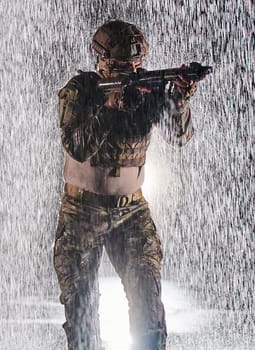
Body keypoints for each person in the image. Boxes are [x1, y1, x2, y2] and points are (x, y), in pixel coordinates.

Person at [53, 19, 199, 350]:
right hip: (82, 212)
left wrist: (179, 100)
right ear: (100, 59)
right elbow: (77, 147)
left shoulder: (147, 91)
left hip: (132, 211)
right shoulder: (80, 91)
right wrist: (109, 106)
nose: (131, 72)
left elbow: (180, 137)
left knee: (148, 308)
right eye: (120, 66)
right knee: (82, 316)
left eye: (135, 64)